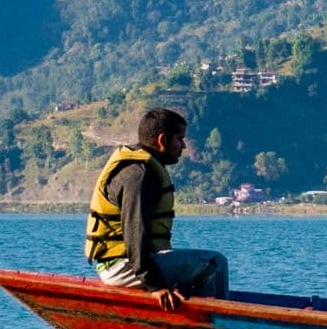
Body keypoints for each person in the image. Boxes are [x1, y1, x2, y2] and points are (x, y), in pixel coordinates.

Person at [85, 106, 230, 307]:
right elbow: (135, 233)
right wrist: (154, 285)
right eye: (179, 139)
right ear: (162, 140)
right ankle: (216, 327)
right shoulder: (139, 175)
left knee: (191, 279)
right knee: (215, 263)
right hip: (122, 266)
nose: (184, 146)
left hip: (127, 264)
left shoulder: (142, 168)